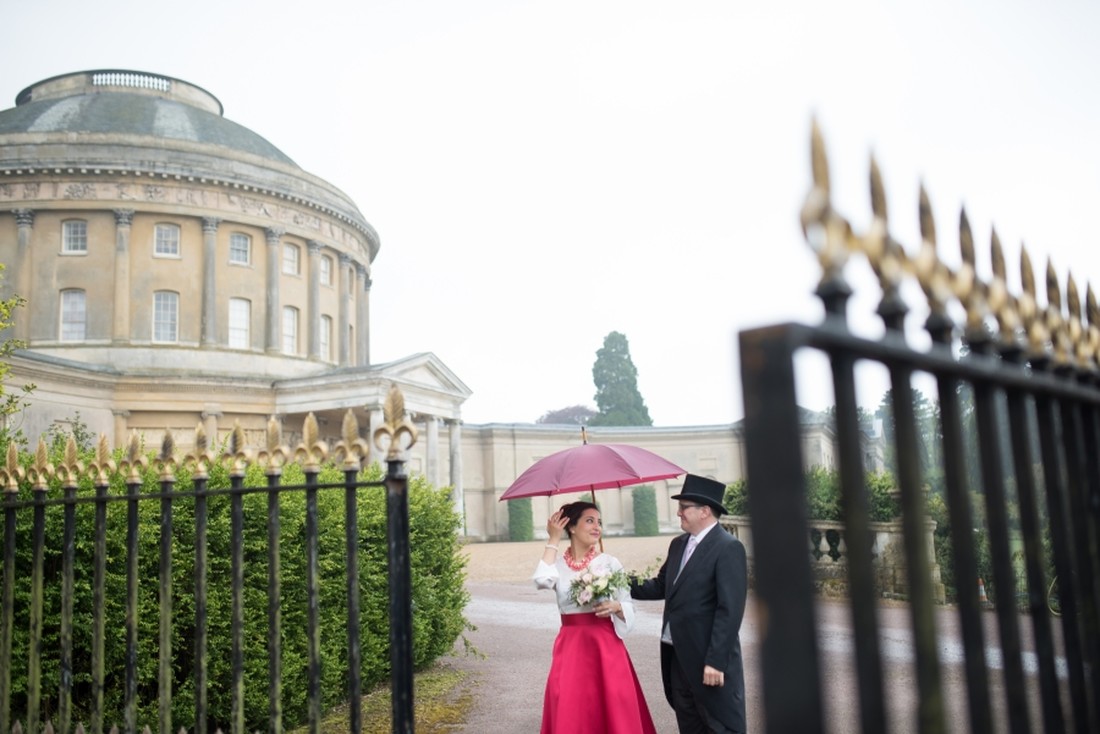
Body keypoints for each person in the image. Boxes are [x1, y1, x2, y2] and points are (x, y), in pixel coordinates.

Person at [630, 475, 748, 734]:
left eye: (684, 507)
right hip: (678, 657)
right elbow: (661, 586)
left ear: (704, 511)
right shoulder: (678, 544)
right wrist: (615, 581)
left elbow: (729, 610)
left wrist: (716, 661)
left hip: (709, 661)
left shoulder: (728, 548)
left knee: (719, 726)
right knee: (689, 724)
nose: (678, 513)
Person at [532, 500, 657, 734]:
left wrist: (616, 606)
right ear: (571, 527)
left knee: (613, 705)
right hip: (570, 646)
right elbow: (541, 580)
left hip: (605, 645)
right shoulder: (557, 566)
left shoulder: (610, 563)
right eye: (589, 521)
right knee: (569, 704)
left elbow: (627, 604)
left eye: (599, 522)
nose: (596, 527)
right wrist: (553, 539)